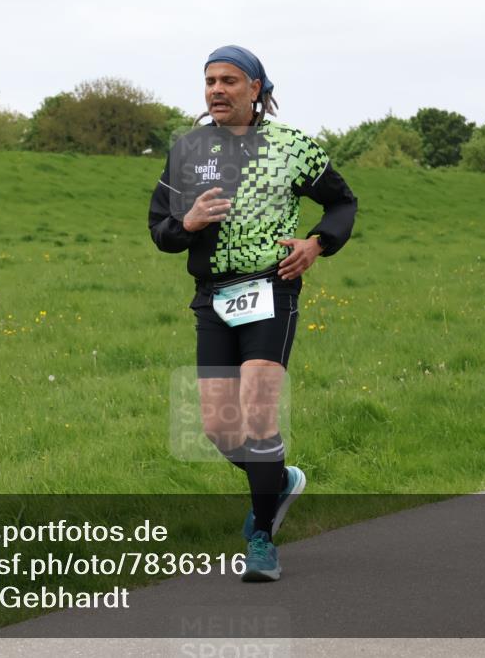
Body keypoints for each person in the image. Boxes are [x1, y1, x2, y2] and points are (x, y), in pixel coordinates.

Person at [148, 45, 358, 582]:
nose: (217, 90)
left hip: (271, 287)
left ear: (256, 89)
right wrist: (188, 223)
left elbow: (342, 202)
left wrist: (317, 243)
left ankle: (262, 539)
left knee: (259, 412)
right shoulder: (188, 150)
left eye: (230, 80)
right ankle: (279, 481)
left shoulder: (292, 147)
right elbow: (159, 231)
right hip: (213, 296)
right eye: (210, 81)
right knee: (219, 429)